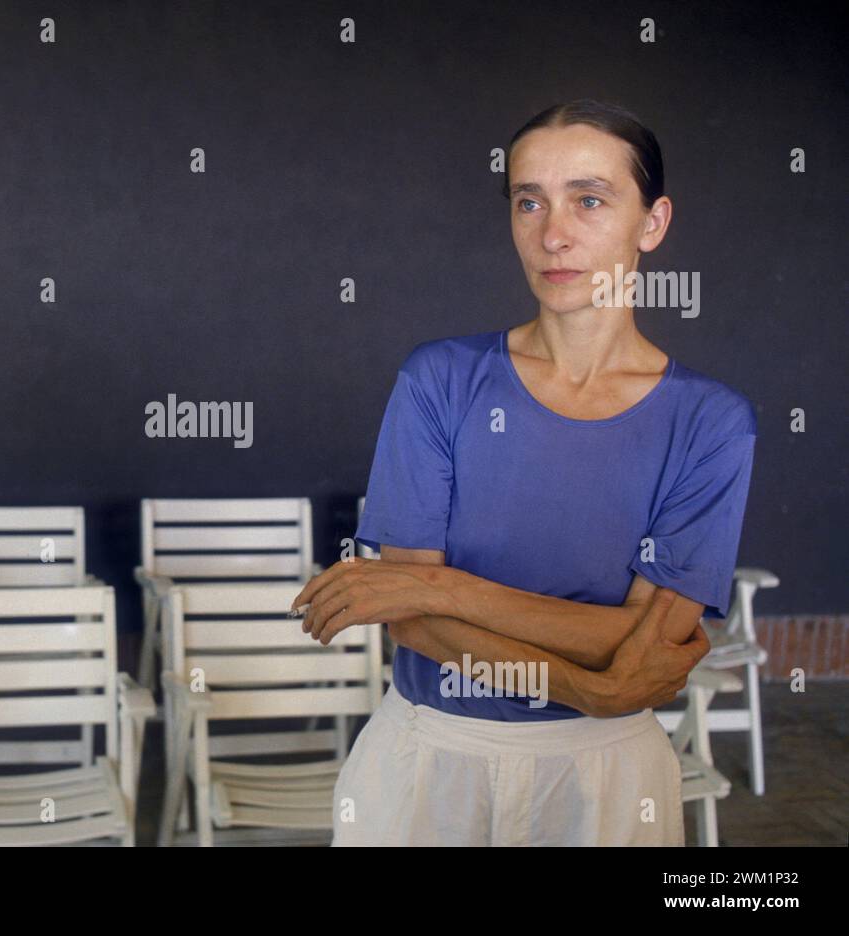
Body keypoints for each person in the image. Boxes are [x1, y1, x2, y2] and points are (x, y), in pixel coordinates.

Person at [294, 99, 757, 846]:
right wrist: (587, 687)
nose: (553, 233)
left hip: (607, 782)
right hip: (428, 762)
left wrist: (436, 584)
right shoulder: (439, 380)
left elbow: (642, 642)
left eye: (590, 199)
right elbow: (413, 624)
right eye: (529, 200)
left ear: (653, 223)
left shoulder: (711, 422)